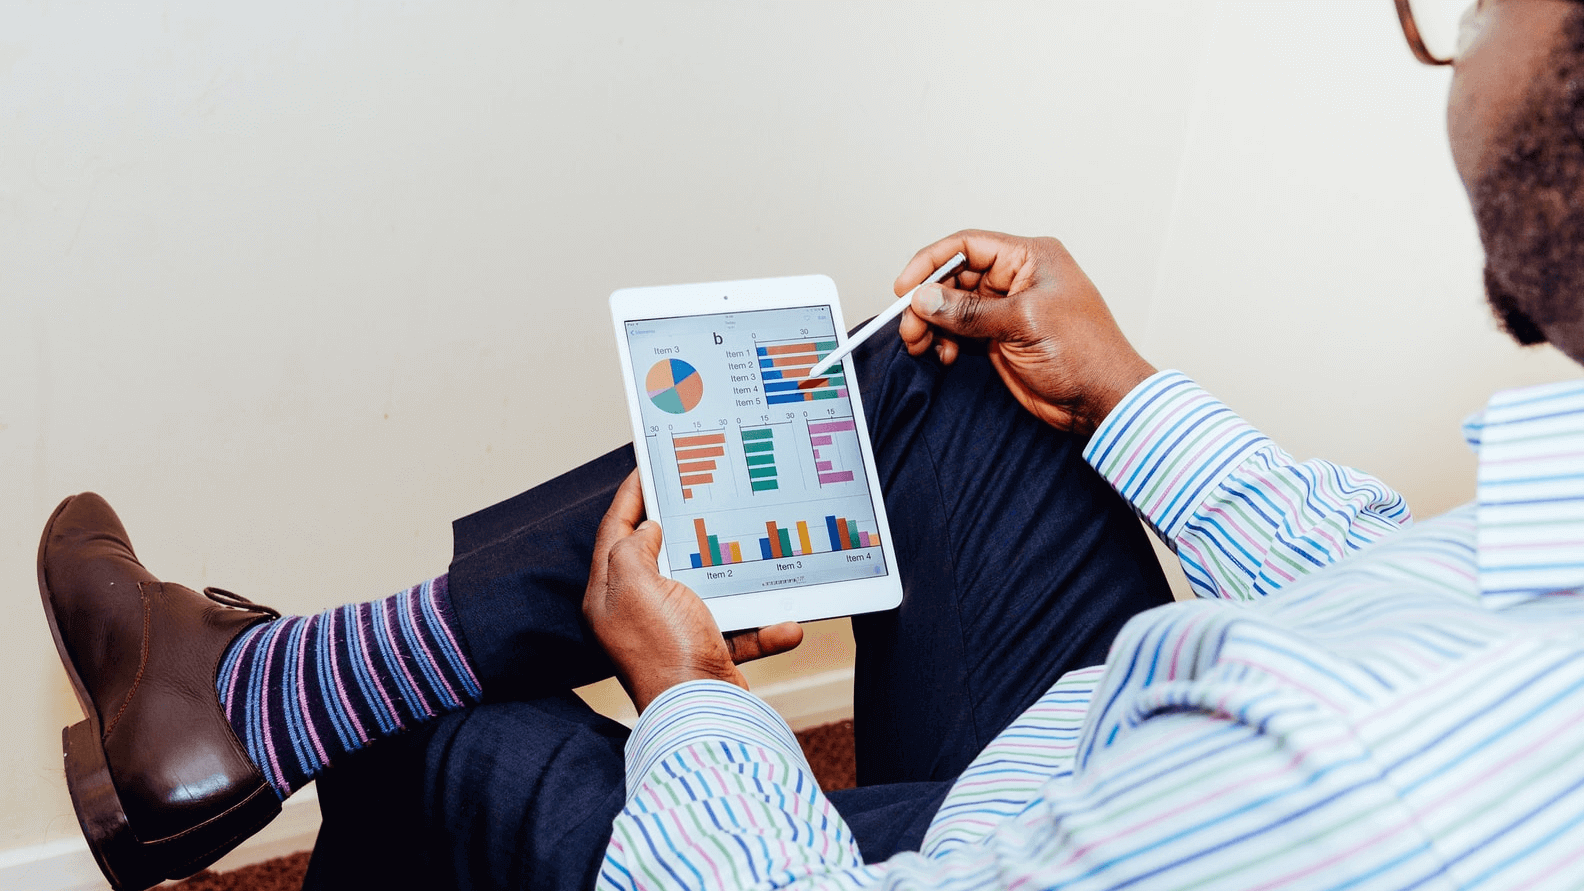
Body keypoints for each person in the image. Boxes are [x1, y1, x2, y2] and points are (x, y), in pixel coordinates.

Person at [34, 0, 1584, 887]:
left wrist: (695, 698)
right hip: (1102, 777)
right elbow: (1404, 589)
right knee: (951, 373)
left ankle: (269, 698)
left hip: (981, 854)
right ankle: (235, 697)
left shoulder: (1361, 780)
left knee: (453, 742)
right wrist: (1129, 391)